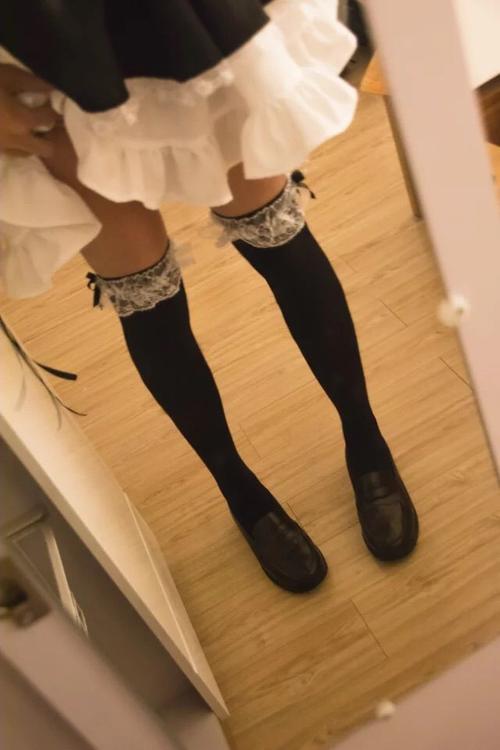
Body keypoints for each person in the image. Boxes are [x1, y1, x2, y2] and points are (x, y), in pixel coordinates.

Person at [0, 0, 418, 594]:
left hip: (182, 17)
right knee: (142, 289)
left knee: (277, 233)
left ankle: (365, 436)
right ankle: (238, 489)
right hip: (41, 44)